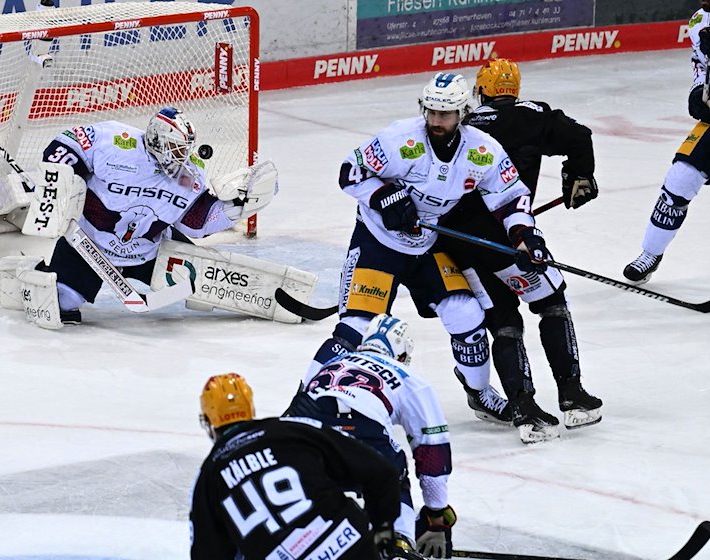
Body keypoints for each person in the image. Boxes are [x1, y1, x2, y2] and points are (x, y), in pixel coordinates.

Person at [308, 72, 548, 427]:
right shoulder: (398, 139)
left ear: (463, 113)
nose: (436, 120)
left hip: (428, 245)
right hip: (379, 244)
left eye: (446, 114)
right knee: (355, 329)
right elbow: (350, 171)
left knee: (467, 314)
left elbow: (511, 197)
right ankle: (306, 400)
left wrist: (525, 237)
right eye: (431, 112)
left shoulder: (482, 150)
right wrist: (383, 196)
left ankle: (479, 392)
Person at [436, 58, 603, 440]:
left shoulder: (463, 126)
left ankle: (523, 408)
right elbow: (580, 136)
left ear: (479, 92)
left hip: (462, 244)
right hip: (513, 240)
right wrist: (579, 176)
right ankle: (572, 395)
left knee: (504, 321)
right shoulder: (534, 116)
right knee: (552, 303)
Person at [32, 107, 273, 324]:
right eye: (177, 149)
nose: (182, 157)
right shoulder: (114, 140)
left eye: (185, 150)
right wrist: (61, 182)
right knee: (63, 302)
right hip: (90, 245)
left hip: (150, 252)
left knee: (202, 282)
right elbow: (66, 145)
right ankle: (34, 274)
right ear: (157, 139)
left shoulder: (189, 174)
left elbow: (195, 222)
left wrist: (239, 207)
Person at [190, 373, 421, 560]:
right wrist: (383, 526)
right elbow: (382, 472)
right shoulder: (292, 430)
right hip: (351, 546)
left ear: (209, 423)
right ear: (250, 408)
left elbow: (208, 553)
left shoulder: (208, 479)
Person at [286, 314, 457, 558]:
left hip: (301, 432)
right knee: (391, 477)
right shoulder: (409, 377)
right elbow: (432, 453)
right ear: (401, 355)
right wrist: (437, 516)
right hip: (360, 428)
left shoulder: (333, 362)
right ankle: (398, 544)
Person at [624, 0, 710, 283]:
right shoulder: (700, 20)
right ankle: (650, 253)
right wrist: (698, 90)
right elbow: (701, 63)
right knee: (681, 178)